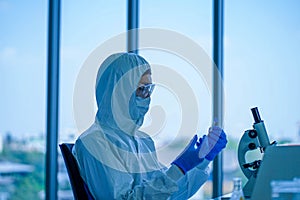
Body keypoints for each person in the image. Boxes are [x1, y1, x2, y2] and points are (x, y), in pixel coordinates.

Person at [72, 52, 227, 199]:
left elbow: (170, 195)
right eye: (141, 89)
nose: (147, 97)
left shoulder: (143, 141)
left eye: (149, 89)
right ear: (118, 91)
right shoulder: (94, 142)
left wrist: (203, 160)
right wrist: (179, 167)